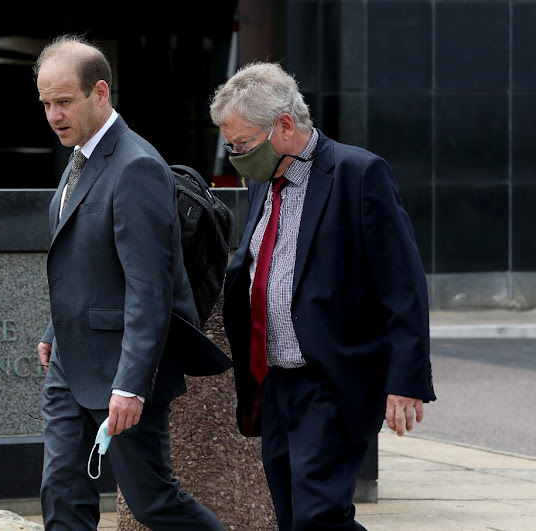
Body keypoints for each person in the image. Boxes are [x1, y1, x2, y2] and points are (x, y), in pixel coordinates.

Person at [211, 61, 436, 530]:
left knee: (318, 516)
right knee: (294, 514)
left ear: (286, 126)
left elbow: (404, 284)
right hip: (274, 381)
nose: (235, 156)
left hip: (333, 379)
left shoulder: (359, 173)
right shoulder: (262, 181)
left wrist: (407, 379)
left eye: (242, 144)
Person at [35, 35, 225, 530]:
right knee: (61, 492)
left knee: (153, 502)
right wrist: (55, 331)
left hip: (122, 373)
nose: (53, 114)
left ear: (100, 93)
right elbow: (82, 261)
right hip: (69, 365)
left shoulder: (136, 165)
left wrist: (131, 387)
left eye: (63, 101)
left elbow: (150, 290)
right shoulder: (79, 158)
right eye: (45, 103)